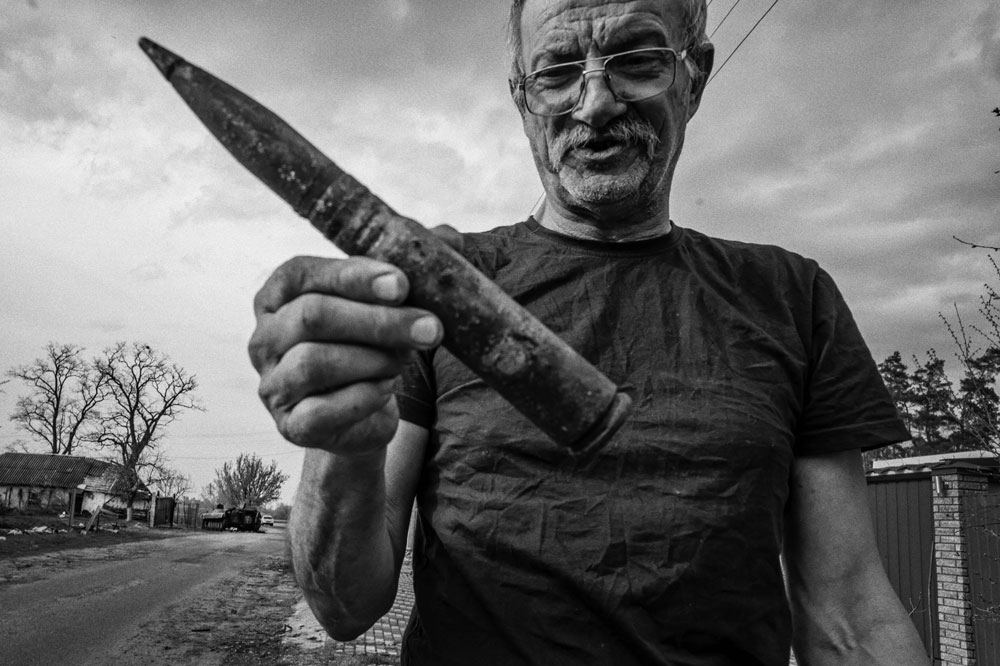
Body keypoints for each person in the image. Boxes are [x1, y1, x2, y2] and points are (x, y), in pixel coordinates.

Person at [248, 1, 931, 664]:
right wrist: (339, 446)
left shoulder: (791, 297)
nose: (595, 102)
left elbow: (848, 620)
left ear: (695, 73)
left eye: (636, 59)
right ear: (521, 99)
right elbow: (344, 607)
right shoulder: (432, 293)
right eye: (556, 71)